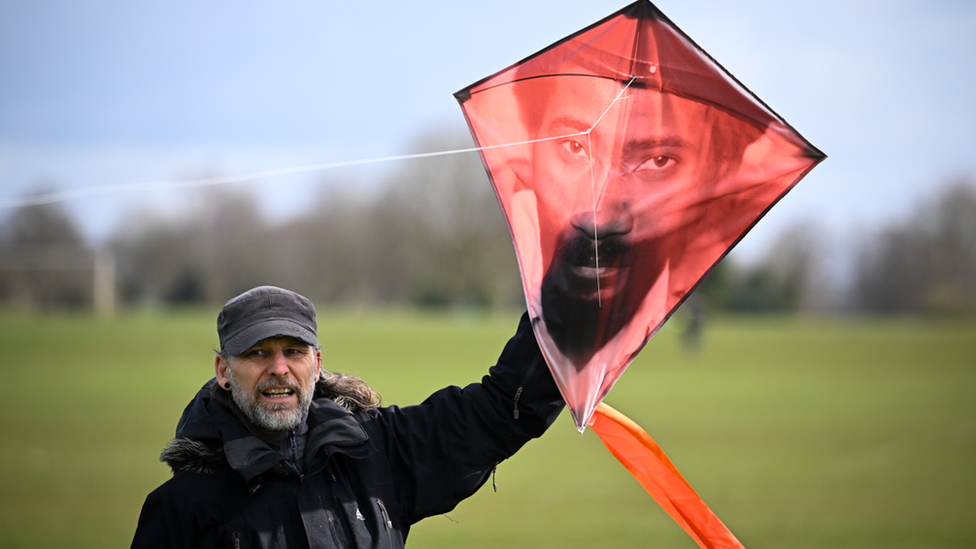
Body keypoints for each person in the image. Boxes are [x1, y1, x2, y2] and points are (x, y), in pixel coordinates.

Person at [131, 285, 564, 549]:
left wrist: (574, 291)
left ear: (317, 365)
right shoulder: (180, 509)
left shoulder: (377, 450)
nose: (279, 367)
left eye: (294, 352)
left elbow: (500, 410)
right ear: (224, 371)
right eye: (257, 353)